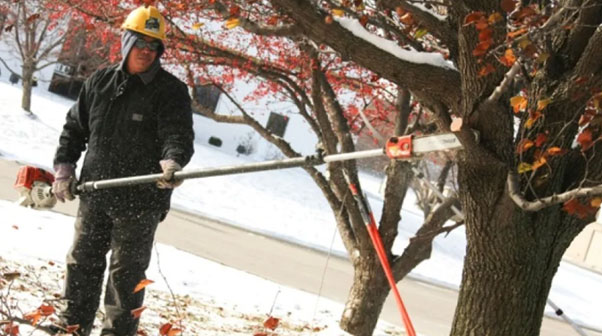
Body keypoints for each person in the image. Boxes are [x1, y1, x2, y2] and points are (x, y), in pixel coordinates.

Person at [51, 5, 194, 336]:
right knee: (81, 266)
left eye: (153, 46)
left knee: (126, 278)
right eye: (140, 42)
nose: (146, 51)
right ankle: (72, 328)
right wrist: (63, 168)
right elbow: (74, 129)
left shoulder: (170, 91)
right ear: (126, 41)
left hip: (140, 203)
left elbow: (178, 135)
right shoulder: (100, 81)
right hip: (95, 195)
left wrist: (172, 162)